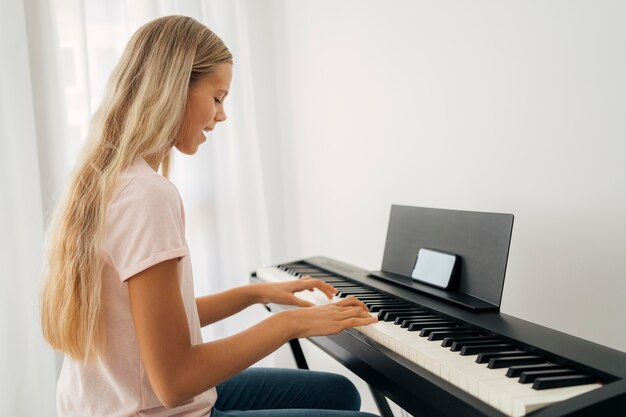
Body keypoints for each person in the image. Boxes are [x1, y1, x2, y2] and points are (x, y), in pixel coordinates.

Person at [40, 15, 379, 417]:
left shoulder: (106, 179)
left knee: (338, 393)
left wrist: (257, 294)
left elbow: (151, 324)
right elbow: (175, 381)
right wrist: (290, 324)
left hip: (107, 405)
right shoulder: (147, 196)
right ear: (173, 89)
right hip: (153, 409)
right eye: (217, 98)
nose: (221, 116)